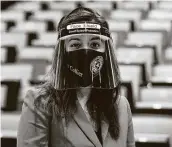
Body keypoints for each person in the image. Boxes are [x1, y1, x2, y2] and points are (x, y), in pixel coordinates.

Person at [17, 7, 136, 147]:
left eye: (94, 44)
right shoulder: (40, 102)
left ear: (105, 52)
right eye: (75, 44)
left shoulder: (121, 105)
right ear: (63, 53)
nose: (85, 52)